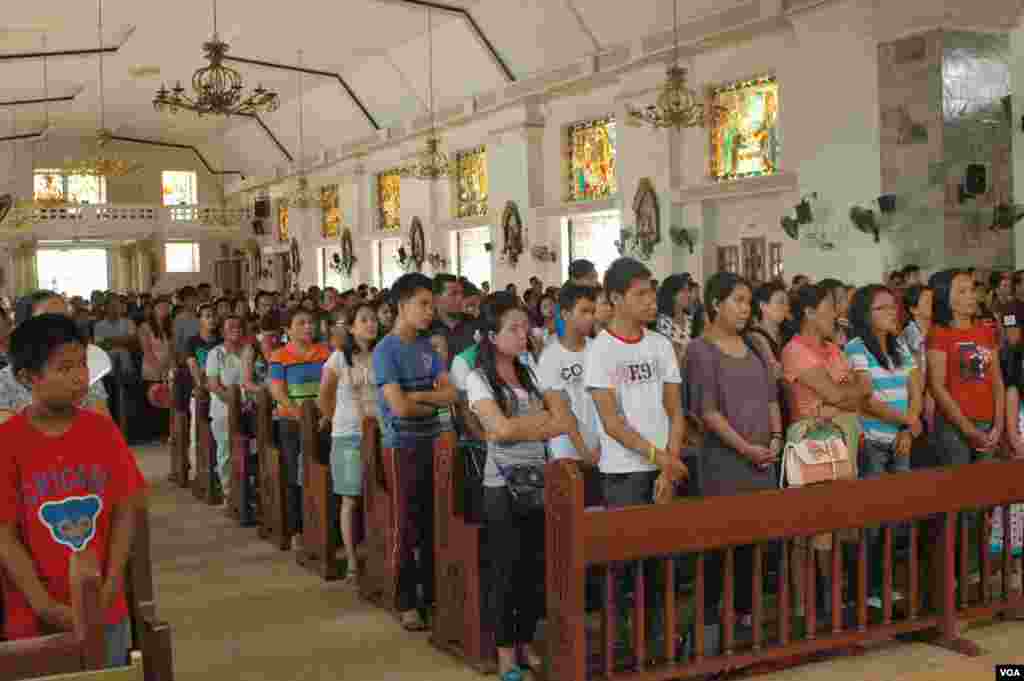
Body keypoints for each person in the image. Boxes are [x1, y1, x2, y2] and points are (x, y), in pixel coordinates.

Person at [0, 314, 146, 667]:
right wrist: (43, 603)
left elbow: (128, 508)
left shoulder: (102, 431)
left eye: (82, 363)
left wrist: (111, 585)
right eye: (64, 368)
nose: (80, 377)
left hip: (105, 605)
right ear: (26, 377)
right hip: (34, 613)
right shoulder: (8, 442)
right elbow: (4, 535)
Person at [465, 293, 572, 681]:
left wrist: (525, 426)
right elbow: (500, 429)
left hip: (537, 481)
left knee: (533, 570)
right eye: (513, 328)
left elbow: (562, 421)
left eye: (524, 326)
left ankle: (527, 642)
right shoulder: (479, 379)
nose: (522, 333)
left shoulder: (530, 372)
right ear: (492, 336)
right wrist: (535, 424)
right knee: (506, 571)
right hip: (502, 487)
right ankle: (506, 652)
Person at [684, 272, 781, 650]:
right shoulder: (700, 350)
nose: (745, 309)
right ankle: (707, 629)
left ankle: (746, 621)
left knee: (754, 547)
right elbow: (708, 413)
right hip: (725, 464)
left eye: (747, 301)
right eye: (738, 300)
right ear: (715, 304)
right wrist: (746, 448)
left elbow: (772, 398)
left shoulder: (755, 345)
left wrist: (774, 438)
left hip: (762, 460)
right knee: (718, 545)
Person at [373, 272, 456, 631]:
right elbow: (399, 408)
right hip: (402, 446)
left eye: (431, 304)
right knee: (406, 523)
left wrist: (421, 397)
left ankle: (432, 598)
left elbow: (451, 397)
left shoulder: (427, 347)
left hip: (434, 443)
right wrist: (430, 404)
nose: (429, 311)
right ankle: (405, 601)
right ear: (401, 306)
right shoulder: (386, 350)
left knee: (433, 521)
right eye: (422, 304)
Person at [781, 284, 870, 615]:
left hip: (841, 440)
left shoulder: (834, 349)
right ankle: (803, 608)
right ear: (808, 312)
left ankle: (833, 604)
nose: (836, 314)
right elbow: (837, 392)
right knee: (808, 529)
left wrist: (840, 399)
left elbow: (861, 390)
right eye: (830, 307)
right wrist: (841, 397)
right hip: (811, 445)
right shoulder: (794, 350)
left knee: (838, 525)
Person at [586, 257, 688, 504]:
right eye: (640, 294)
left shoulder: (660, 344)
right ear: (616, 299)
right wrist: (660, 458)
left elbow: (675, 411)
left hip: (666, 467)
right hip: (624, 472)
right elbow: (612, 423)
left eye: (651, 292)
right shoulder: (601, 349)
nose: (651, 300)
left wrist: (668, 467)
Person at [846, 285, 923, 606]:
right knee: (872, 521)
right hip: (873, 443)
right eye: (884, 308)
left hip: (900, 440)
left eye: (894, 307)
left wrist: (908, 429)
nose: (893, 313)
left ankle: (886, 585)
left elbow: (915, 387)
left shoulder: (900, 345)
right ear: (866, 314)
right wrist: (906, 421)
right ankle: (864, 590)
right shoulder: (855, 347)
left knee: (898, 518)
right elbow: (865, 400)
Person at [318, 302, 378, 585]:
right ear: (352, 328)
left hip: (378, 432)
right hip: (348, 434)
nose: (371, 324)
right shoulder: (338, 359)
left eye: (374, 319)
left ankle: (377, 555)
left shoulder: (382, 355)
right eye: (364, 320)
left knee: (378, 495)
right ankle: (353, 561)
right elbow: (324, 396)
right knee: (350, 498)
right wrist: (338, 421)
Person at [927, 270, 1003, 466]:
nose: (971, 296)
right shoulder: (939, 333)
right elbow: (937, 386)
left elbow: (997, 381)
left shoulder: (985, 331)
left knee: (988, 488)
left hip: (988, 423)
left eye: (971, 290)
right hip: (953, 426)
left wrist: (999, 424)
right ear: (945, 297)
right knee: (959, 490)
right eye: (962, 291)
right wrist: (967, 428)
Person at [269, 309, 331, 547]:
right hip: (292, 422)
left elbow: (331, 387)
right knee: (295, 474)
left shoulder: (325, 353)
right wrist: (299, 415)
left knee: (323, 471)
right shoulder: (279, 356)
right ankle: (297, 529)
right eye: (301, 323)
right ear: (288, 330)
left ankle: (325, 528)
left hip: (323, 420)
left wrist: (325, 415)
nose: (308, 327)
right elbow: (277, 391)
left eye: (310, 322)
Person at [0, 291, 110, 422]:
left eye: (66, 320)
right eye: (49, 321)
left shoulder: (86, 372)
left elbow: (102, 427)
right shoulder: (5, 382)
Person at [536, 285, 599, 464]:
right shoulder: (550, 357)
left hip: (602, 446)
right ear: (565, 314)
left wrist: (600, 447)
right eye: (584, 311)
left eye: (593, 311)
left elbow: (610, 403)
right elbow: (559, 410)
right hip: (567, 450)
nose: (591, 317)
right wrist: (584, 452)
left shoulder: (599, 350)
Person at [207, 315, 246, 506]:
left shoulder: (248, 351)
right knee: (226, 451)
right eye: (230, 327)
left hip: (249, 407)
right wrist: (233, 403)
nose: (235, 329)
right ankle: (228, 492)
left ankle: (247, 490)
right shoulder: (216, 353)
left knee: (250, 450)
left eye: (238, 326)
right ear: (222, 331)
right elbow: (214, 385)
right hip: (224, 409)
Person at [429, 274, 475, 365]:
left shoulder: (475, 324)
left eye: (461, 293)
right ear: (436, 298)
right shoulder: (427, 328)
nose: (460, 298)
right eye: (453, 294)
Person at [654, 274, 693, 367]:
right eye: (683, 291)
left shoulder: (691, 320)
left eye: (689, 291)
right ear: (672, 294)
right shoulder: (662, 322)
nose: (688, 295)